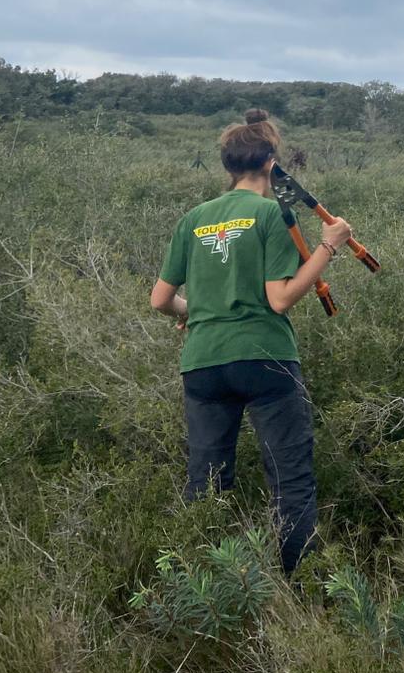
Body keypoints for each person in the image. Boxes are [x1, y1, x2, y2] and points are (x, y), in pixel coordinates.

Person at [149, 109, 351, 574]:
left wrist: (195, 313)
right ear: (270, 163)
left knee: (205, 483)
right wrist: (328, 247)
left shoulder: (194, 218)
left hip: (203, 364)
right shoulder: (269, 214)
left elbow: (161, 299)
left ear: (228, 166)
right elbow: (279, 299)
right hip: (265, 359)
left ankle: (205, 583)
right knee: (290, 481)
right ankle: (297, 589)